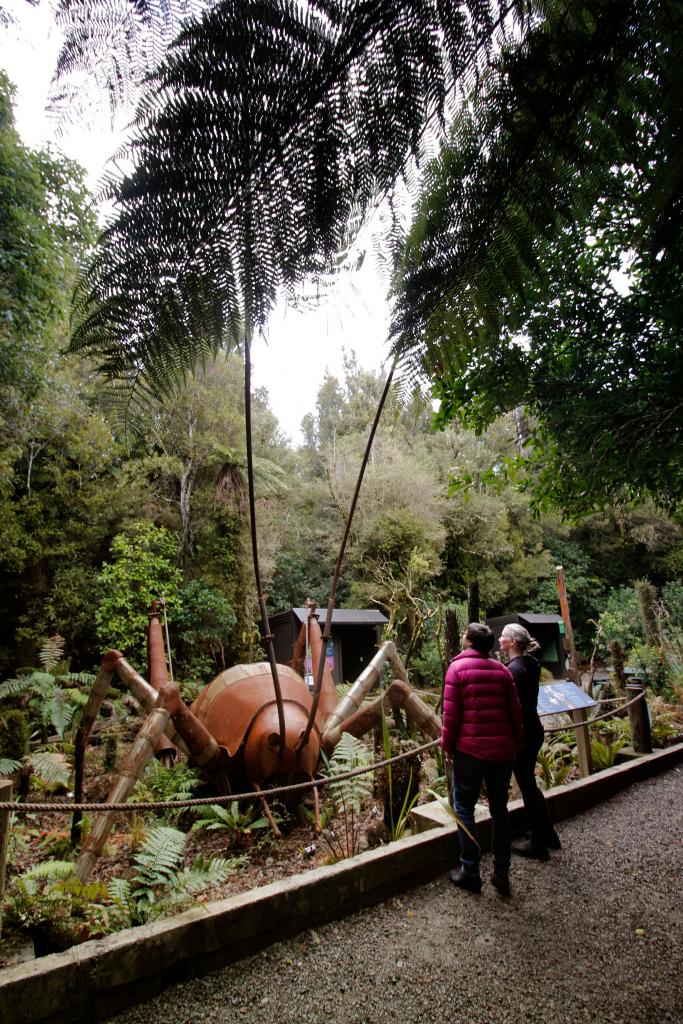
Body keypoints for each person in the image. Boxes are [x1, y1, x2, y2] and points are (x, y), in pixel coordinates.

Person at [441, 622, 523, 896]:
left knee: (464, 807)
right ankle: (501, 872)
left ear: (468, 641)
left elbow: (451, 716)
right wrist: (516, 745)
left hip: (470, 752)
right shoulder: (502, 671)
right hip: (503, 753)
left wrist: (447, 745)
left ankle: (470, 871)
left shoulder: (457, 669)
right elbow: (515, 713)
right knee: (500, 809)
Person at [499, 623, 562, 860]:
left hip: (523, 732)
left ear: (513, 643)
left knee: (526, 785)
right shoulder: (530, 664)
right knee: (530, 784)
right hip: (533, 729)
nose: (500, 640)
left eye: (503, 637)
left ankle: (538, 843)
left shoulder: (515, 670)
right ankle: (548, 834)